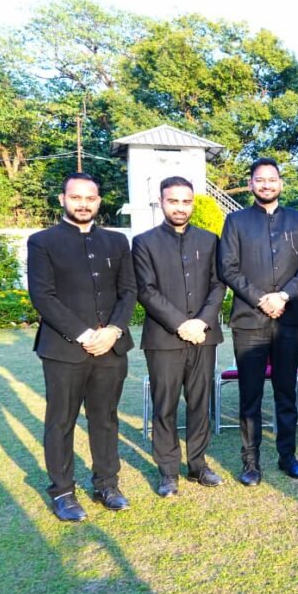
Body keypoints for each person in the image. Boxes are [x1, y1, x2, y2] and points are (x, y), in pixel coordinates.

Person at [27, 172, 137, 521]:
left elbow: (129, 291)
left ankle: (107, 484)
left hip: (111, 348)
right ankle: (62, 491)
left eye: (90, 198)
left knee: (105, 419)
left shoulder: (117, 241)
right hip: (64, 350)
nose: (83, 204)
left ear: (98, 201)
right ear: (62, 199)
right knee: (61, 421)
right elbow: (42, 296)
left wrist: (114, 330)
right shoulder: (42, 242)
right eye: (76, 197)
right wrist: (85, 334)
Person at [218, 158, 298, 485]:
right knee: (250, 395)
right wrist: (262, 299)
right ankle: (250, 462)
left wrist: (283, 296)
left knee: (286, 392)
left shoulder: (297, 220)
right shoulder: (235, 221)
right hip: (249, 320)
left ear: (280, 183)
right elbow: (228, 268)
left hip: (288, 320)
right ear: (251, 184)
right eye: (259, 180)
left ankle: (288, 456)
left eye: (272, 179)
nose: (266, 185)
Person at [132, 176, 226, 497]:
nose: (180, 208)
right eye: (173, 201)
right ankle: (168, 472)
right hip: (163, 339)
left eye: (186, 201)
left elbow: (218, 285)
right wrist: (180, 324)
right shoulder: (143, 242)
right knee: (165, 406)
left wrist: (201, 322)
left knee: (200, 403)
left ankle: (198, 465)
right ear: (162, 202)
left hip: (203, 337)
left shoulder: (210, 240)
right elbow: (146, 289)